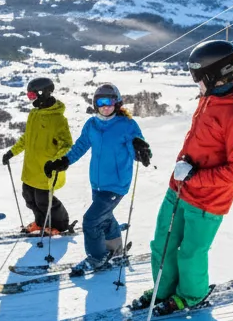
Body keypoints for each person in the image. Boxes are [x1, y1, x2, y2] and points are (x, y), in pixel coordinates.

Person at [133, 40, 233, 316]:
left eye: (197, 76)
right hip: (179, 189)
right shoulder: (210, 98)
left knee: (191, 253)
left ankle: (191, 296)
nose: (195, 83)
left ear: (213, 76)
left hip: (208, 200)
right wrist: (185, 171)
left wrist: (196, 176)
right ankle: (162, 290)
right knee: (162, 244)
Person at [43, 83, 152, 274]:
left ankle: (97, 257)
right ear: (95, 104)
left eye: (110, 101)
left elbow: (137, 145)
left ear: (117, 103)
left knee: (91, 220)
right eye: (101, 102)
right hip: (97, 183)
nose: (105, 106)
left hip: (116, 184)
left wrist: (141, 150)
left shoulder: (127, 125)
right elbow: (80, 147)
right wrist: (63, 162)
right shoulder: (91, 125)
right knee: (105, 217)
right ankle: (115, 249)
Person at [2, 76, 72, 234]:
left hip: (46, 169)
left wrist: (57, 162)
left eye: (32, 95)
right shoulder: (34, 113)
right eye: (29, 96)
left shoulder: (58, 119)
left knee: (44, 201)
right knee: (29, 197)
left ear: (43, 93)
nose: (31, 99)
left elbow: (66, 145)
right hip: (31, 168)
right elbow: (26, 138)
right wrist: (12, 152)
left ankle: (61, 224)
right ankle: (40, 222)